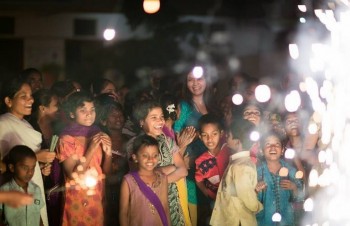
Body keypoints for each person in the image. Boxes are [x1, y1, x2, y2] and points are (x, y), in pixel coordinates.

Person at [0, 77, 54, 226]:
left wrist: (40, 167)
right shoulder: (3, 124)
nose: (30, 100)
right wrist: (36, 157)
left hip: (33, 188)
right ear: (8, 101)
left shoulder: (26, 124)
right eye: (23, 96)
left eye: (30, 96)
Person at [57, 91, 112, 226]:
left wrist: (108, 152)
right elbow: (73, 175)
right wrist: (91, 148)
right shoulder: (67, 139)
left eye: (92, 109)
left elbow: (105, 173)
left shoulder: (97, 133)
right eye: (83, 110)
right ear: (72, 114)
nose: (89, 114)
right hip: (77, 199)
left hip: (97, 196)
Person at [132, 100, 189, 226]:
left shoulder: (168, 142)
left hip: (172, 200)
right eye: (154, 118)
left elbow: (183, 170)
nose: (160, 121)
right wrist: (172, 168)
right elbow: (140, 178)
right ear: (142, 121)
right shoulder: (135, 144)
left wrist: (159, 177)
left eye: (162, 117)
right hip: (148, 200)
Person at [173, 67, 216, 226]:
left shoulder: (213, 106)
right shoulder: (184, 106)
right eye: (190, 79)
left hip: (214, 169)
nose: (195, 83)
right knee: (194, 216)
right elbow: (175, 136)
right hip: (191, 169)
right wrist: (181, 154)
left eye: (199, 79)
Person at [210, 119, 263, 226]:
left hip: (238, 221)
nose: (226, 138)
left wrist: (257, 206)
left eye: (229, 136)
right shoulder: (239, 163)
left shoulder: (240, 167)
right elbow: (238, 192)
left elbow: (247, 197)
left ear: (237, 142)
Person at [28, 89, 63, 226]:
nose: (59, 108)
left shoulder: (58, 127)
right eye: (56, 105)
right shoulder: (30, 129)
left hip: (55, 184)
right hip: (37, 181)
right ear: (43, 108)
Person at [119, 134, 170, 226]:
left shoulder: (162, 178)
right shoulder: (128, 181)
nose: (151, 159)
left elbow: (165, 207)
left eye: (155, 155)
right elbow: (123, 213)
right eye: (145, 156)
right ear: (135, 157)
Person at [256, 131, 304, 226]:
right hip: (264, 222)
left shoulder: (291, 171)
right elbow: (252, 202)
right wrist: (256, 191)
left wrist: (294, 187)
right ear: (261, 150)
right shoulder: (257, 172)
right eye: (268, 144)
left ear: (282, 150)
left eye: (277, 144)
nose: (273, 147)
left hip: (287, 221)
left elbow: (300, 197)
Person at [95, 93, 129, 226]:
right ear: (103, 121)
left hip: (129, 193)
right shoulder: (102, 142)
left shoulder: (129, 140)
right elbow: (106, 176)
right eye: (113, 116)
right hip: (109, 195)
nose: (118, 118)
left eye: (120, 115)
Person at [0, 145, 44, 226]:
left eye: (33, 168)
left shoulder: (36, 189)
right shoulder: (4, 191)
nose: (30, 172)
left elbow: (38, 217)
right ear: (12, 168)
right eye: (25, 168)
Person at [195, 114, 230, 205]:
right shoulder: (200, 161)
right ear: (200, 136)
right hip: (215, 201)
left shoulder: (229, 151)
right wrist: (207, 193)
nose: (209, 139)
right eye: (205, 135)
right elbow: (198, 179)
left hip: (233, 199)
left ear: (221, 133)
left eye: (214, 134)